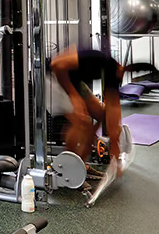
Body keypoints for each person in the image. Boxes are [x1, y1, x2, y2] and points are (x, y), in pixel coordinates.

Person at [49, 44, 125, 189]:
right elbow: (56, 65)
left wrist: (116, 156)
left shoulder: (113, 76)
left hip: (74, 81)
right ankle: (67, 169)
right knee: (82, 122)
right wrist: (73, 95)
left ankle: (81, 164)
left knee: (100, 114)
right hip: (53, 78)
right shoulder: (98, 60)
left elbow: (113, 114)